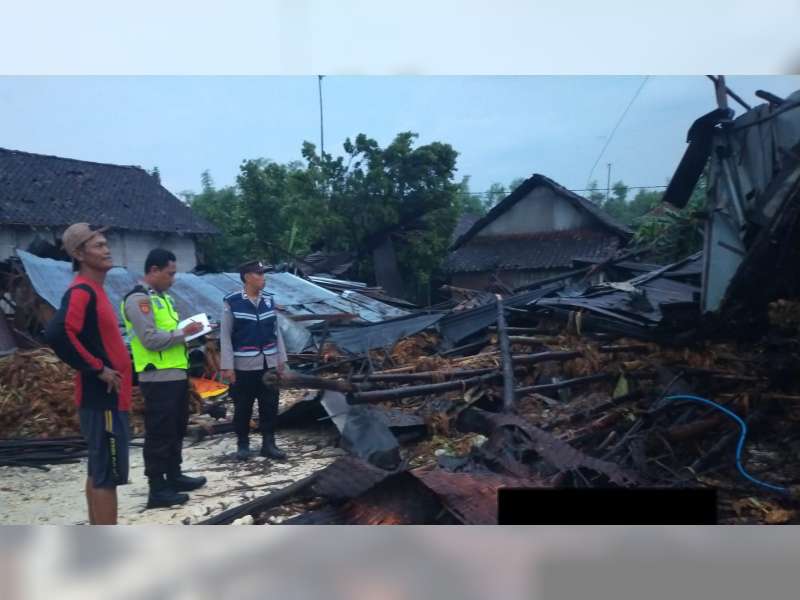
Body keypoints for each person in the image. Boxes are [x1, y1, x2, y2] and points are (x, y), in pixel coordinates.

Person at [49, 223, 133, 525]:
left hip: (110, 400)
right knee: (106, 475)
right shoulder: (82, 291)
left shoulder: (95, 290)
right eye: (97, 245)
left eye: (106, 243)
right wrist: (98, 368)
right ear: (79, 254)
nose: (106, 249)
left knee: (99, 469)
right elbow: (58, 333)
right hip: (103, 401)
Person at [121, 248, 207, 509]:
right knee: (159, 433)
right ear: (154, 270)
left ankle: (174, 475)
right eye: (170, 273)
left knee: (176, 428)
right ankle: (157, 488)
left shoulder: (162, 299)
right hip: (157, 378)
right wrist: (184, 333)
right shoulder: (139, 300)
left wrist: (192, 336)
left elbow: (168, 335)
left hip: (175, 374)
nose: (173, 278)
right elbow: (150, 339)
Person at [220, 260, 288, 461]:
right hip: (244, 366)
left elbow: (277, 333)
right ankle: (243, 444)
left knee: (270, 404)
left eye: (263, 274)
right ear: (247, 277)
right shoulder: (232, 302)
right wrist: (227, 366)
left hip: (268, 363)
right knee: (243, 406)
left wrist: (281, 359)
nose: (263, 278)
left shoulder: (269, 300)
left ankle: (269, 443)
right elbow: (225, 335)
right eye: (259, 274)